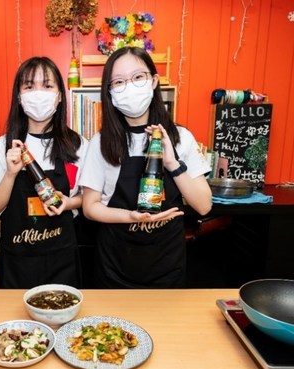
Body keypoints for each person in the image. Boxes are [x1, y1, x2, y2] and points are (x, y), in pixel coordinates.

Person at [79, 47, 212, 289]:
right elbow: (89, 207)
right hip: (115, 266)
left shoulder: (181, 137)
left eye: (138, 77)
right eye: (119, 82)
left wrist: (171, 163)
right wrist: (129, 216)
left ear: (154, 81)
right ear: (110, 92)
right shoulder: (101, 142)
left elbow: (203, 205)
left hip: (167, 265)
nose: (129, 86)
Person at [0, 57, 87, 289]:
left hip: (62, 260)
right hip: (17, 262)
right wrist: (10, 174)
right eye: (29, 86)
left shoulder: (78, 144)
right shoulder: (3, 145)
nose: (38, 93)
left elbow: (88, 198)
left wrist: (69, 203)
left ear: (59, 96)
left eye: (47, 86)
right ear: (19, 97)